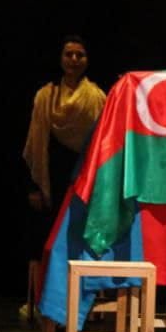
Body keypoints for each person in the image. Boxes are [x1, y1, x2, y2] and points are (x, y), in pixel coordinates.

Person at [21, 35, 106, 316]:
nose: (74, 59)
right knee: (43, 242)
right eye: (69, 54)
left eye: (80, 54)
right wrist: (34, 186)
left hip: (82, 179)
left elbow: (103, 145)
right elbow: (34, 145)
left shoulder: (97, 98)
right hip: (49, 181)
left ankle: (80, 307)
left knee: (79, 242)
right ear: (60, 58)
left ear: (87, 60)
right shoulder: (46, 97)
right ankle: (39, 305)